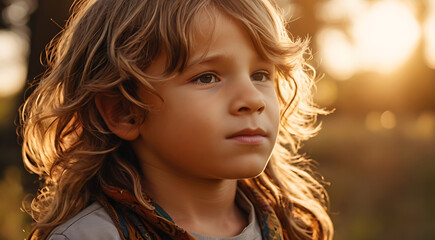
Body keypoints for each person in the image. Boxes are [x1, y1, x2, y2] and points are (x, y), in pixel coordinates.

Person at [19, 0, 333, 239]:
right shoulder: (89, 236)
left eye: (261, 74)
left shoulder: (295, 228)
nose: (251, 99)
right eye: (208, 77)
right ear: (124, 111)